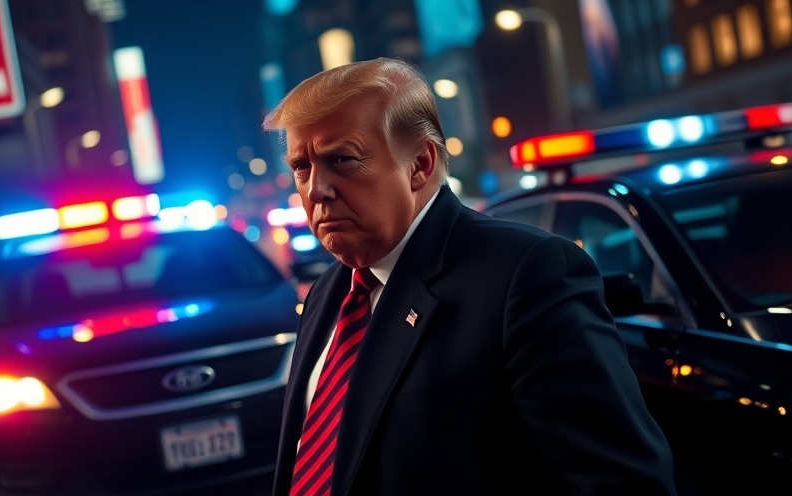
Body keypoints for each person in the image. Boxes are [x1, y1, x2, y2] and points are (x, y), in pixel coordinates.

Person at [262, 57, 677, 495]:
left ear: (419, 164)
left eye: (342, 159)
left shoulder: (527, 273)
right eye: (301, 167)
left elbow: (623, 481)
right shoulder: (329, 291)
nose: (314, 190)